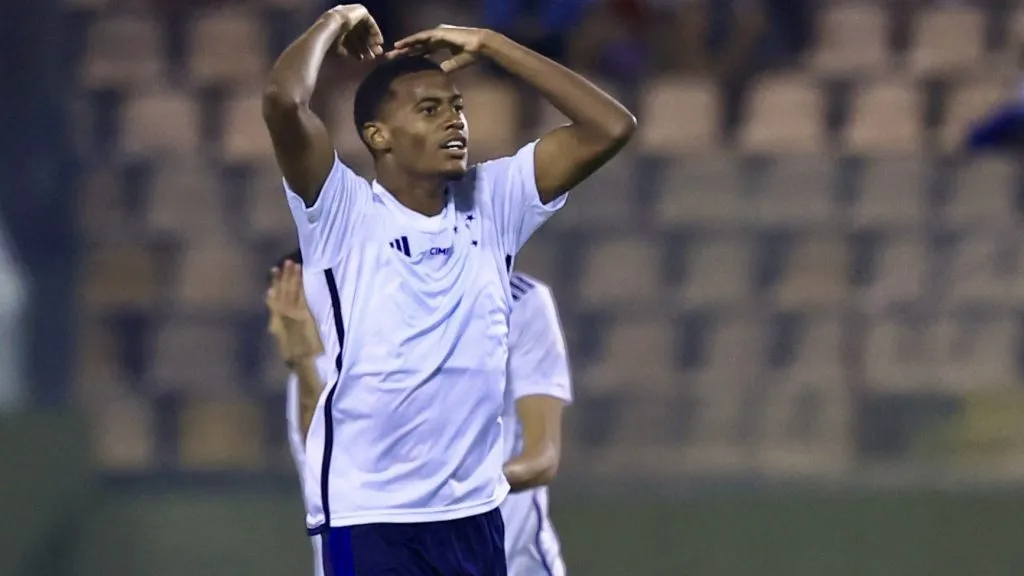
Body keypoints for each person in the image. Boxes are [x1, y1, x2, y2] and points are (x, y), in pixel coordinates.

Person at [261, 4, 635, 574]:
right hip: (373, 517)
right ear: (377, 135)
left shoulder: (495, 200)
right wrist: (336, 20)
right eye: (430, 110)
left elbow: (611, 127)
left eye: (457, 107)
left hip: (474, 515)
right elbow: (283, 101)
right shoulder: (342, 211)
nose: (455, 121)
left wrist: (492, 44)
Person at [501, 272, 573, 576]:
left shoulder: (521, 302)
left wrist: (474, 486)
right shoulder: (372, 299)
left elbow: (543, 458)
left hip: (512, 561)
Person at [265, 252, 329, 576]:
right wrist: (304, 362)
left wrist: (305, 359)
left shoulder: (369, 366)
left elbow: (341, 453)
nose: (273, 327)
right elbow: (321, 446)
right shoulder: (302, 382)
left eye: (283, 308)